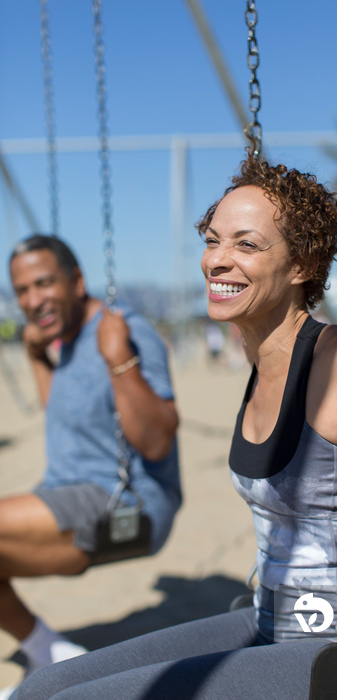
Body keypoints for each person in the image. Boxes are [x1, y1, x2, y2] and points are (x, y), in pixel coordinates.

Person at [16, 157, 337, 700]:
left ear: (300, 265)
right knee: (44, 687)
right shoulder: (258, 361)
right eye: (212, 240)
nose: (218, 260)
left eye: (247, 245)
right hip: (272, 619)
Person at [1, 234, 181, 699]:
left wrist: (119, 359)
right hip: (68, 492)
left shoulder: (123, 331)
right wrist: (39, 356)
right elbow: (67, 416)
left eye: (43, 283)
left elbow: (158, 442)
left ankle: (49, 653)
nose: (32, 299)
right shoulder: (65, 339)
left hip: (125, 500)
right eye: (21, 290)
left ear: (76, 280)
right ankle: (51, 653)